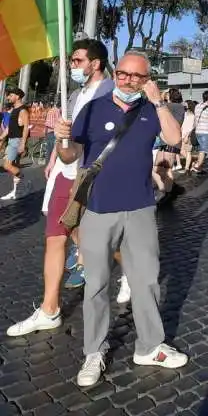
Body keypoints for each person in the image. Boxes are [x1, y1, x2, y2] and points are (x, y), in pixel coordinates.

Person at [54, 50, 188, 388]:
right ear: (115, 73)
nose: (129, 81)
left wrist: (158, 103)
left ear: (147, 80)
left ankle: (150, 346)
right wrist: (60, 137)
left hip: (141, 207)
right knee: (96, 285)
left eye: (137, 77)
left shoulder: (149, 110)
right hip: (98, 209)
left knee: (146, 281)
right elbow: (70, 154)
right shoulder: (93, 108)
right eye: (124, 74)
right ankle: (94, 352)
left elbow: (174, 139)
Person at [6, 40, 116, 337]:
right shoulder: (76, 94)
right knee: (56, 238)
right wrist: (55, 157)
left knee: (103, 239)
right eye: (72, 61)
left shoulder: (112, 94)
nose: (73, 66)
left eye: (78, 61)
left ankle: (131, 270)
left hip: (94, 177)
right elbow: (67, 135)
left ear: (96, 63)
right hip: (66, 173)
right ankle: (49, 308)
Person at [0, 87, 31, 200]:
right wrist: (1, 137)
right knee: (15, 166)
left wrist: (23, 144)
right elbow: (9, 127)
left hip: (17, 140)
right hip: (12, 139)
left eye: (10, 95)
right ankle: (15, 191)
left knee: (6, 165)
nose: (8, 97)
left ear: (17, 96)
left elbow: (26, 128)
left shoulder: (22, 110)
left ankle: (25, 180)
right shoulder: (14, 110)